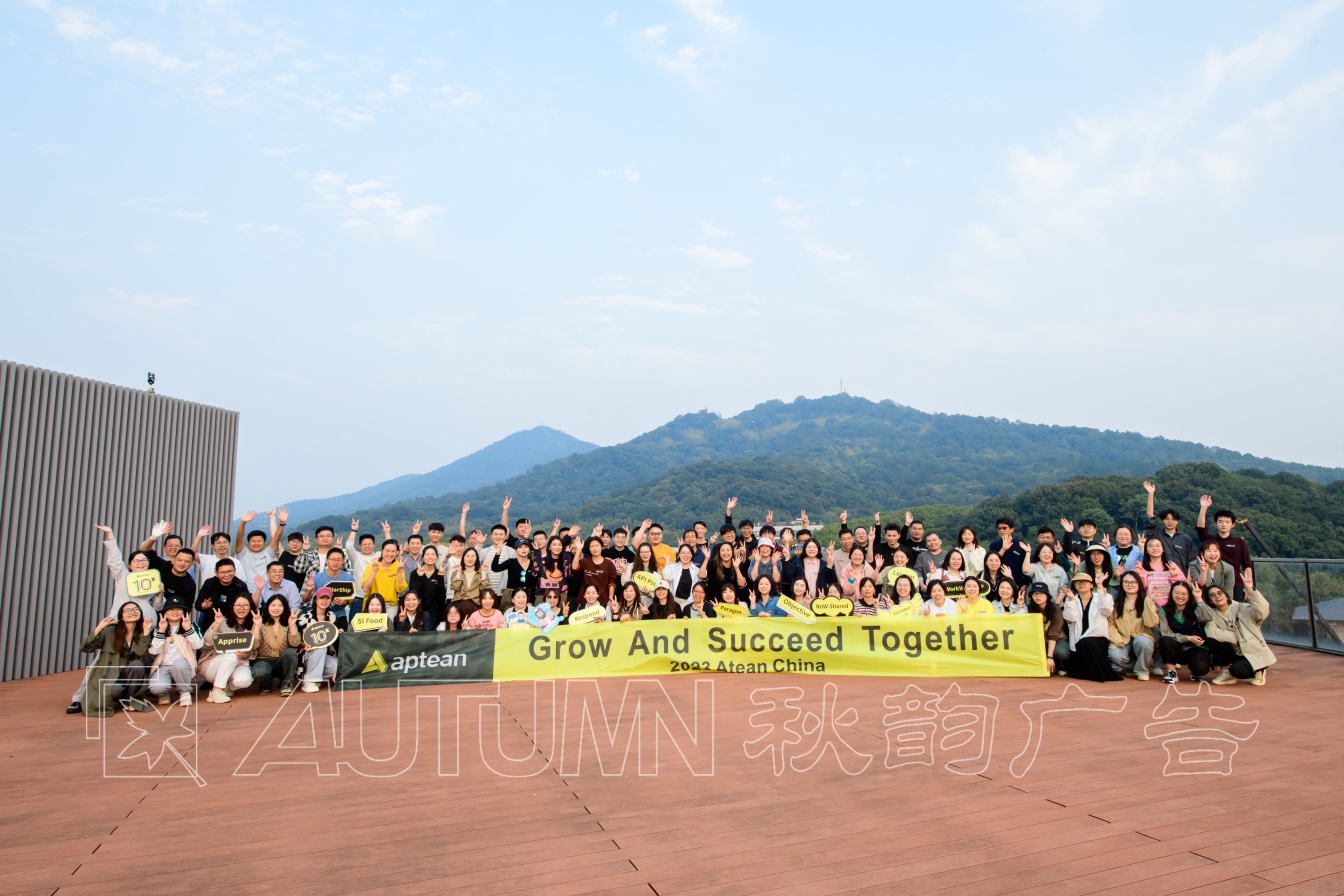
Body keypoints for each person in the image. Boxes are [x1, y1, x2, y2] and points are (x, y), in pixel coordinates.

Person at [1201, 568, 1275, 686]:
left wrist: (1250, 590)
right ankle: (1226, 673)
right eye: (1212, 595)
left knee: (1237, 671)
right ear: (1210, 601)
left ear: (1226, 596)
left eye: (1220, 593)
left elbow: (1262, 612)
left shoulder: (1242, 608)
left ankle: (1259, 670)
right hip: (1235, 650)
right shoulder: (1212, 615)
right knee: (1212, 641)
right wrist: (1236, 637)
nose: (1217, 596)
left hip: (1253, 651)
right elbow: (1211, 632)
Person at [80, 601, 152, 716]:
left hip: (128, 675)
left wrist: (146, 631)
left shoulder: (143, 632)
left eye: (136, 609)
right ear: (121, 616)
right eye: (127, 610)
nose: (132, 612)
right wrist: (100, 627)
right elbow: (85, 648)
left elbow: (141, 653)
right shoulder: (110, 631)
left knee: (137, 665)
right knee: (115, 690)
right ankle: (118, 698)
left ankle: (129, 700)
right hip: (108, 675)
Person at [198, 594, 261, 703]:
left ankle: (226, 687)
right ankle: (217, 690)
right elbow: (207, 641)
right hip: (213, 665)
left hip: (238, 664)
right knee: (232, 655)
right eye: (238, 605)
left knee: (245, 681)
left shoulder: (254, 623)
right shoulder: (222, 621)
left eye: (245, 605)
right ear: (232, 606)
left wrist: (257, 626)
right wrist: (217, 624)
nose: (241, 608)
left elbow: (254, 648)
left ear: (250, 607)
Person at [1061, 572, 1119, 682]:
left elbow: (1106, 610)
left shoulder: (1102, 597)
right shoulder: (1072, 599)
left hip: (1098, 639)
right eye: (1077, 582)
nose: (1081, 584)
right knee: (1074, 672)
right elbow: (1070, 618)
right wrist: (1071, 600)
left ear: (1091, 585)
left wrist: (1100, 586)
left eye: (1084, 581)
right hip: (1078, 641)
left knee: (1086, 643)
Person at [1197, 495, 1254, 600]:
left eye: (1227, 522)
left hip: (1236, 583)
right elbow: (1201, 528)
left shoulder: (1239, 542)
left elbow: (1247, 565)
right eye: (1220, 521)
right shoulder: (1210, 541)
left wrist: (1249, 588)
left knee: (1234, 609)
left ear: (1233, 525)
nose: (1224, 524)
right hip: (1213, 582)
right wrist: (1203, 508)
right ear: (1215, 523)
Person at [1108, 571, 1159, 680]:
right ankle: (1133, 666)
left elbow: (1151, 623)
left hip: (1142, 636)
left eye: (1133, 582)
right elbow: (1110, 624)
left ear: (1139, 584)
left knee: (1143, 642)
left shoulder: (1146, 600)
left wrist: (1148, 604)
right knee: (1115, 655)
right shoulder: (1115, 603)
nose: (1129, 585)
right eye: (1126, 582)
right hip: (1123, 638)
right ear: (1122, 584)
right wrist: (1116, 639)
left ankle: (1142, 671)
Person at [1156, 581, 1210, 684]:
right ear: (1171, 594)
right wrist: (1188, 638)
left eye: (1184, 594)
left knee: (1200, 669)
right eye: (1177, 593)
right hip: (1176, 648)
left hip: (1196, 647)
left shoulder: (1196, 608)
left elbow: (1208, 617)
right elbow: (1165, 633)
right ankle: (1171, 672)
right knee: (1165, 640)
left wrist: (1199, 599)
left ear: (1189, 595)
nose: (1180, 596)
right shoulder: (1163, 610)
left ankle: (1194, 671)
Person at [295, 587, 348, 693]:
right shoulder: (305, 617)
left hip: (323, 654)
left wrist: (338, 633)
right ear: (315, 600)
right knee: (320, 647)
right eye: (321, 598)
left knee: (337, 667)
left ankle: (315, 677)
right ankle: (309, 681)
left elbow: (333, 639)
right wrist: (304, 644)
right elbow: (295, 639)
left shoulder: (332, 616)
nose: (324, 601)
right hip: (305, 654)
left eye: (327, 598)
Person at [1144, 481, 1200, 572]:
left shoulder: (1185, 539)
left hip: (1181, 577)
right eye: (1167, 519)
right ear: (1162, 520)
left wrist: (1189, 579)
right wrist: (1151, 494)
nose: (1170, 522)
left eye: (1173, 519)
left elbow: (1192, 561)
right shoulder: (1156, 535)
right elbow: (1150, 517)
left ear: (1177, 521)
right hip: (1160, 577)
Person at [252, 595, 301, 696]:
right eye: (273, 605)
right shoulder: (260, 622)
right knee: (260, 673)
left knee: (291, 652)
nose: (276, 608)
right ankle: (266, 682)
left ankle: (287, 684)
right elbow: (254, 645)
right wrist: (256, 626)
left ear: (284, 608)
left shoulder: (289, 622)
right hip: (264, 660)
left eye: (280, 605)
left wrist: (292, 625)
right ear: (268, 607)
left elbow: (296, 643)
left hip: (282, 661)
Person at [233, 509, 282, 598]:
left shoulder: (269, 553)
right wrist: (242, 522)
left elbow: (276, 538)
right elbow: (239, 538)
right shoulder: (243, 552)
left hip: (266, 594)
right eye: (253, 541)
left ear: (264, 542)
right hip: (246, 594)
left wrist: (281, 522)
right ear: (248, 542)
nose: (256, 543)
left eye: (259, 541)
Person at [194, 558, 251, 633]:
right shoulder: (209, 583)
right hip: (211, 622)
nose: (227, 575)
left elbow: (249, 605)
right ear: (216, 573)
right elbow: (197, 605)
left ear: (235, 570)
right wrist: (204, 605)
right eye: (223, 572)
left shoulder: (240, 585)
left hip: (232, 624)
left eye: (230, 571)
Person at [1027, 582, 1068, 675]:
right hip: (1038, 640)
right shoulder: (1029, 608)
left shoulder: (1055, 609)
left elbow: (1054, 634)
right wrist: (1020, 606)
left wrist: (1049, 657)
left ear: (1047, 596)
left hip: (1057, 638)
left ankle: (1061, 666)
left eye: (1041, 593)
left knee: (1061, 652)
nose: (1038, 596)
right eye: (1035, 593)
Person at [1135, 536, 1186, 607]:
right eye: (1151, 546)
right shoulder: (1141, 566)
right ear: (1146, 550)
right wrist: (1142, 575)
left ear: (1163, 549)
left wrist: (1174, 576)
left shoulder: (1171, 565)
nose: (1155, 548)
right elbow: (1138, 589)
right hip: (1150, 607)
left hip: (1171, 607)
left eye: (1158, 546)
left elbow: (1183, 585)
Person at [312, 547, 358, 623]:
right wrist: (309, 590)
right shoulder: (317, 578)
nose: (335, 562)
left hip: (339, 615)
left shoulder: (348, 578)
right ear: (326, 560)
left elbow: (353, 599)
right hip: (320, 616)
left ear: (343, 561)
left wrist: (345, 602)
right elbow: (306, 599)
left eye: (338, 560)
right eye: (333, 559)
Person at [362, 538, 408, 611]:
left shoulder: (398, 566)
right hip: (373, 604)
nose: (390, 554)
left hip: (390, 605)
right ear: (382, 551)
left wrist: (399, 573)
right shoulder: (372, 565)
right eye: (387, 551)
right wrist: (374, 571)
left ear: (397, 552)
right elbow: (365, 588)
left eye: (393, 551)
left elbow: (400, 589)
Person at [409, 546, 448, 627]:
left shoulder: (439, 573)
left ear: (437, 557)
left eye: (433, 554)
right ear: (423, 557)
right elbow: (412, 592)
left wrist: (440, 578)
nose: (430, 557)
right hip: (417, 611)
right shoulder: (415, 573)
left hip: (433, 613)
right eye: (427, 554)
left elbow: (441, 596)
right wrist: (419, 577)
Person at [490, 540, 536, 607]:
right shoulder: (511, 562)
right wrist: (498, 553)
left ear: (529, 549)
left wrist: (531, 601)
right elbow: (495, 568)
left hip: (526, 596)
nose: (523, 549)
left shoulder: (533, 564)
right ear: (515, 550)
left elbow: (534, 585)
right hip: (510, 595)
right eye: (520, 547)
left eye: (526, 547)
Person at [450, 547, 488, 619]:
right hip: (459, 604)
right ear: (463, 558)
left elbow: (485, 590)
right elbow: (455, 587)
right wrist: (458, 572)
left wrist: (483, 572)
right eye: (467, 556)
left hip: (475, 604)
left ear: (476, 558)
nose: (470, 559)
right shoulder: (456, 572)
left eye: (473, 556)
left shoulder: (480, 573)